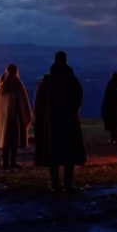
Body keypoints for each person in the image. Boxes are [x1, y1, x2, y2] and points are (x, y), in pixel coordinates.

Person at [34, 51, 86, 191]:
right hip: (68, 121)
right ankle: (68, 184)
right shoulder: (71, 79)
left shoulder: (48, 81)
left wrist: (42, 118)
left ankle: (55, 184)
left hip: (53, 123)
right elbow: (78, 96)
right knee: (69, 153)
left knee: (54, 154)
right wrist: (74, 110)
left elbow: (40, 102)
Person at [0, 63, 32, 169]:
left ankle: (5, 161)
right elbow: (23, 100)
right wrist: (26, 115)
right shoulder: (17, 83)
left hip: (2, 116)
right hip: (14, 115)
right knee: (14, 139)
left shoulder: (0, 83)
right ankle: (13, 161)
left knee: (5, 139)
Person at [101, 71, 117, 144]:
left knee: (113, 124)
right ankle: (115, 138)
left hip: (112, 108)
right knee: (116, 125)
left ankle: (113, 138)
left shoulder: (110, 85)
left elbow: (107, 97)